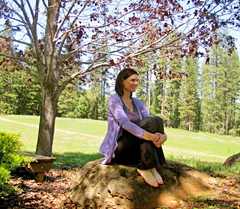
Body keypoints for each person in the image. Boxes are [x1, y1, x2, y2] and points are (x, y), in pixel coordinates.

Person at [99, 68, 167, 188]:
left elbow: (150, 120)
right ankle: (145, 167)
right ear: (122, 81)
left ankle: (152, 166)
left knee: (157, 120)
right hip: (120, 148)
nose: (136, 83)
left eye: (137, 80)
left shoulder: (137, 102)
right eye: (132, 80)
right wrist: (151, 137)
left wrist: (163, 136)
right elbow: (125, 124)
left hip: (134, 147)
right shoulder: (114, 101)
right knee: (148, 123)